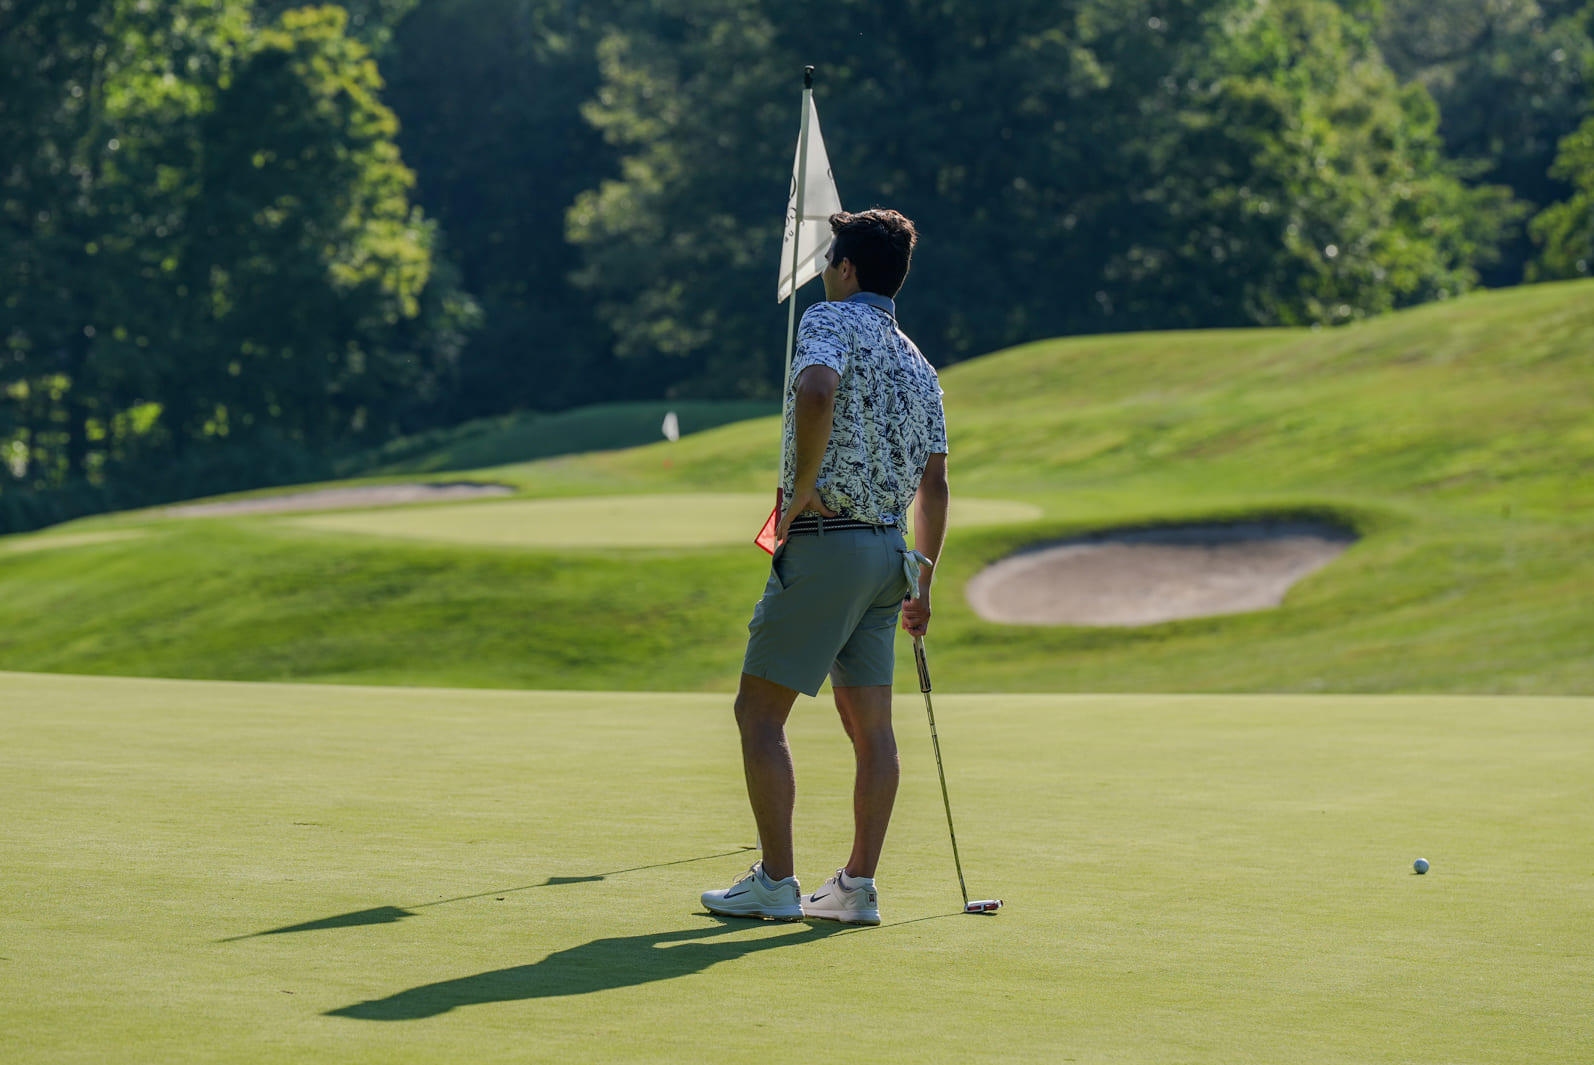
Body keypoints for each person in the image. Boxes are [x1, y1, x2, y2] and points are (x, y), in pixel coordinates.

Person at [701, 208, 949, 926]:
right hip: (889, 557)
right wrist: (924, 579)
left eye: (827, 261)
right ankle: (856, 888)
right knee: (872, 727)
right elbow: (934, 485)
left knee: (759, 713)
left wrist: (802, 484)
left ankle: (776, 881)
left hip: (828, 539)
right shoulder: (919, 361)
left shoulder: (827, 320)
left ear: (845, 268)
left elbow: (815, 391)